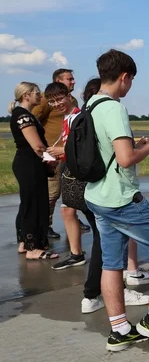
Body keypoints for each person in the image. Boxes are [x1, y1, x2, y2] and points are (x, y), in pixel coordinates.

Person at [84, 49, 149, 351]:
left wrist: (134, 144)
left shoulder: (90, 105)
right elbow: (126, 158)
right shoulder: (114, 108)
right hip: (121, 198)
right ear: (124, 77)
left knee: (111, 263)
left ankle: (119, 329)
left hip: (97, 195)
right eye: (131, 80)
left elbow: (110, 150)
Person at [31, 68, 84, 240]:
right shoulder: (48, 100)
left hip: (68, 152)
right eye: (70, 79)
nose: (73, 81)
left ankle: (74, 218)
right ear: (58, 81)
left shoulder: (73, 100)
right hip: (53, 152)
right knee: (53, 192)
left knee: (72, 189)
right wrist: (41, 145)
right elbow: (32, 119)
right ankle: (45, 225)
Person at [9, 82, 58, 260]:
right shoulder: (24, 116)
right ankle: (33, 248)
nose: (40, 96)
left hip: (28, 163)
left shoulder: (23, 114)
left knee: (28, 204)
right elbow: (37, 146)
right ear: (26, 95)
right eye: (37, 93)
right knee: (35, 205)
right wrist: (50, 160)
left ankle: (24, 242)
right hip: (29, 164)